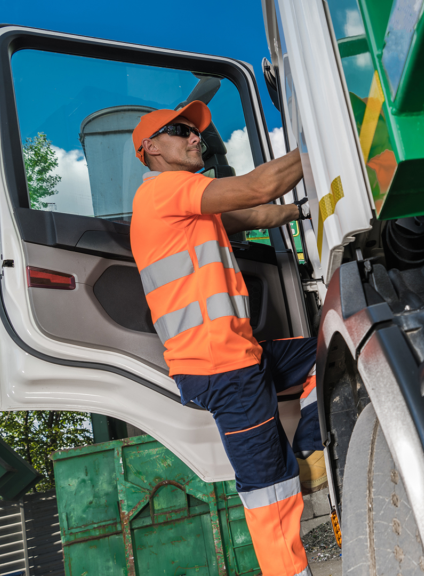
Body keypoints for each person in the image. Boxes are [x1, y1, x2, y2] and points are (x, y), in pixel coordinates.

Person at [129, 100, 323, 576]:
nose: (196, 138)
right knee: (269, 488)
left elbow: (253, 212)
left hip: (240, 357)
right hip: (221, 368)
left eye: (196, 133)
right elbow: (260, 185)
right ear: (151, 147)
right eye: (182, 131)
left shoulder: (188, 208)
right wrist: (324, 136)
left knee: (329, 354)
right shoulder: (163, 192)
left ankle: (313, 449)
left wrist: (300, 209)